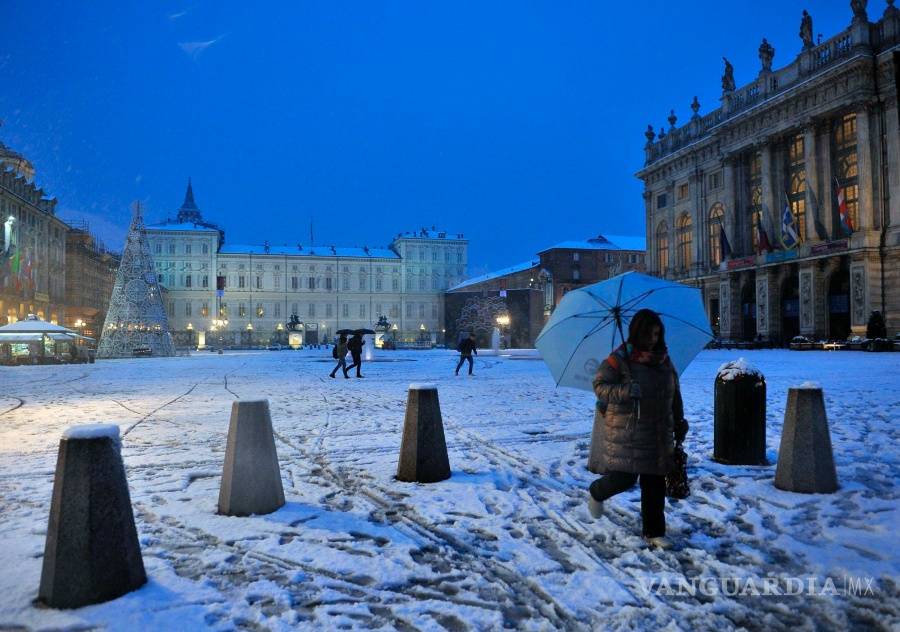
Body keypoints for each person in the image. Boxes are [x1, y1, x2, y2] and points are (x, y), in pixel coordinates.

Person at [587, 309, 688, 549]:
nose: (653, 339)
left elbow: (675, 392)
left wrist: (680, 421)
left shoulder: (664, 359)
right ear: (637, 333)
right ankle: (597, 491)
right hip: (628, 431)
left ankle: (654, 531)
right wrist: (624, 391)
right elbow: (599, 385)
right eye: (649, 334)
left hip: (658, 430)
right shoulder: (619, 359)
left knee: (654, 484)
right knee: (624, 478)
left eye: (657, 334)